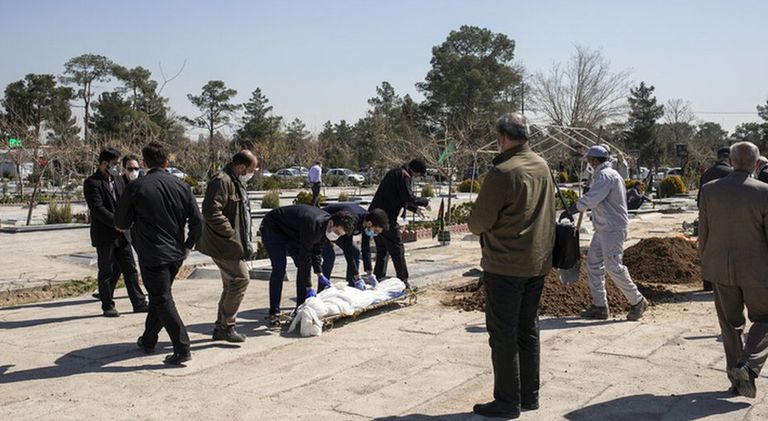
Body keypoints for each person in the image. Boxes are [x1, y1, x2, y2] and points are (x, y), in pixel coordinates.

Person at [468, 112, 555, 419]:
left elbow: (479, 222)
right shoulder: (542, 166)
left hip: (505, 264)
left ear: (502, 138)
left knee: (503, 333)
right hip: (537, 262)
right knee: (527, 329)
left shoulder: (502, 172)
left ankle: (507, 401)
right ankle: (529, 396)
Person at [115, 142, 202, 366]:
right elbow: (197, 221)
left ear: (144, 163)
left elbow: (121, 222)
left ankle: (182, 347)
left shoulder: (136, 187)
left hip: (152, 253)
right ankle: (148, 340)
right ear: (167, 161)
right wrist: (188, 245)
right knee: (159, 297)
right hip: (176, 253)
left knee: (162, 299)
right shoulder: (182, 186)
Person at [699, 141, 768, 398]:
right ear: (755, 163)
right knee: (764, 318)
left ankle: (738, 381)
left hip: (719, 267)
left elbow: (703, 233)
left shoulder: (709, 190)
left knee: (730, 325)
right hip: (756, 269)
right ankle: (747, 366)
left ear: (732, 160)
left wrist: (706, 263)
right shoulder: (764, 191)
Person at [577, 145, 649, 321]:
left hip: (613, 228)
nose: (588, 163)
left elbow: (593, 199)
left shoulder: (606, 175)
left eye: (589, 160)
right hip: (603, 228)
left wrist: (575, 206)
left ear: (594, 160)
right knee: (594, 264)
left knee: (613, 265)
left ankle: (637, 300)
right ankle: (600, 306)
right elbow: (596, 196)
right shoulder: (602, 175)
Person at [197, 150, 258, 343]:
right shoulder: (222, 181)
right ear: (241, 167)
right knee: (241, 279)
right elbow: (210, 211)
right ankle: (226, 325)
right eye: (250, 170)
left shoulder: (236, 181)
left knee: (230, 284)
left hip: (231, 243)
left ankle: (222, 327)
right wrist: (231, 234)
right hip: (224, 244)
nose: (251, 174)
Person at [260, 205, 354, 323]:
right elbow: (305, 256)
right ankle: (274, 312)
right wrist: (309, 286)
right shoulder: (312, 225)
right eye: (336, 232)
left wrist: (319, 274)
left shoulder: (325, 227)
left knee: (302, 266)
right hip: (273, 227)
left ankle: (300, 307)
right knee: (279, 268)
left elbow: (317, 251)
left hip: (292, 232)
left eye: (340, 234)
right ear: (331, 223)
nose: (336, 236)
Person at [84, 148, 147, 317]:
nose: (117, 167)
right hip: (105, 234)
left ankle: (139, 302)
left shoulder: (119, 180)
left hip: (123, 233)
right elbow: (98, 209)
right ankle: (107, 305)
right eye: (114, 164)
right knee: (106, 270)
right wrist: (116, 223)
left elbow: (125, 202)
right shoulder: (92, 183)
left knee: (130, 268)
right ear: (104, 164)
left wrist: (127, 221)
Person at [369, 158, 431, 289]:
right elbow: (407, 197)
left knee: (382, 250)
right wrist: (424, 202)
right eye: (419, 174)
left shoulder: (395, 173)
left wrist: (415, 209)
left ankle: (378, 279)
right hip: (385, 219)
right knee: (398, 249)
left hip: (374, 216)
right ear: (416, 171)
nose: (418, 177)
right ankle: (403, 281)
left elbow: (399, 198)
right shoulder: (404, 176)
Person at [320, 204, 389, 290]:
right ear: (370, 223)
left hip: (339, 230)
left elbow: (365, 247)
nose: (375, 234)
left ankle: (351, 286)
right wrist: (357, 277)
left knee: (356, 251)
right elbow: (347, 249)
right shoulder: (352, 221)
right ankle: (322, 290)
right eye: (376, 231)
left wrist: (370, 273)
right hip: (324, 227)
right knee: (329, 256)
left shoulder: (367, 220)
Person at [698, 146, 733, 291]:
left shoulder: (708, 173)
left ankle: (708, 283)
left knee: (708, 249)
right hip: (728, 218)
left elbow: (700, 197)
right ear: (730, 158)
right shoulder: (732, 173)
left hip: (709, 217)